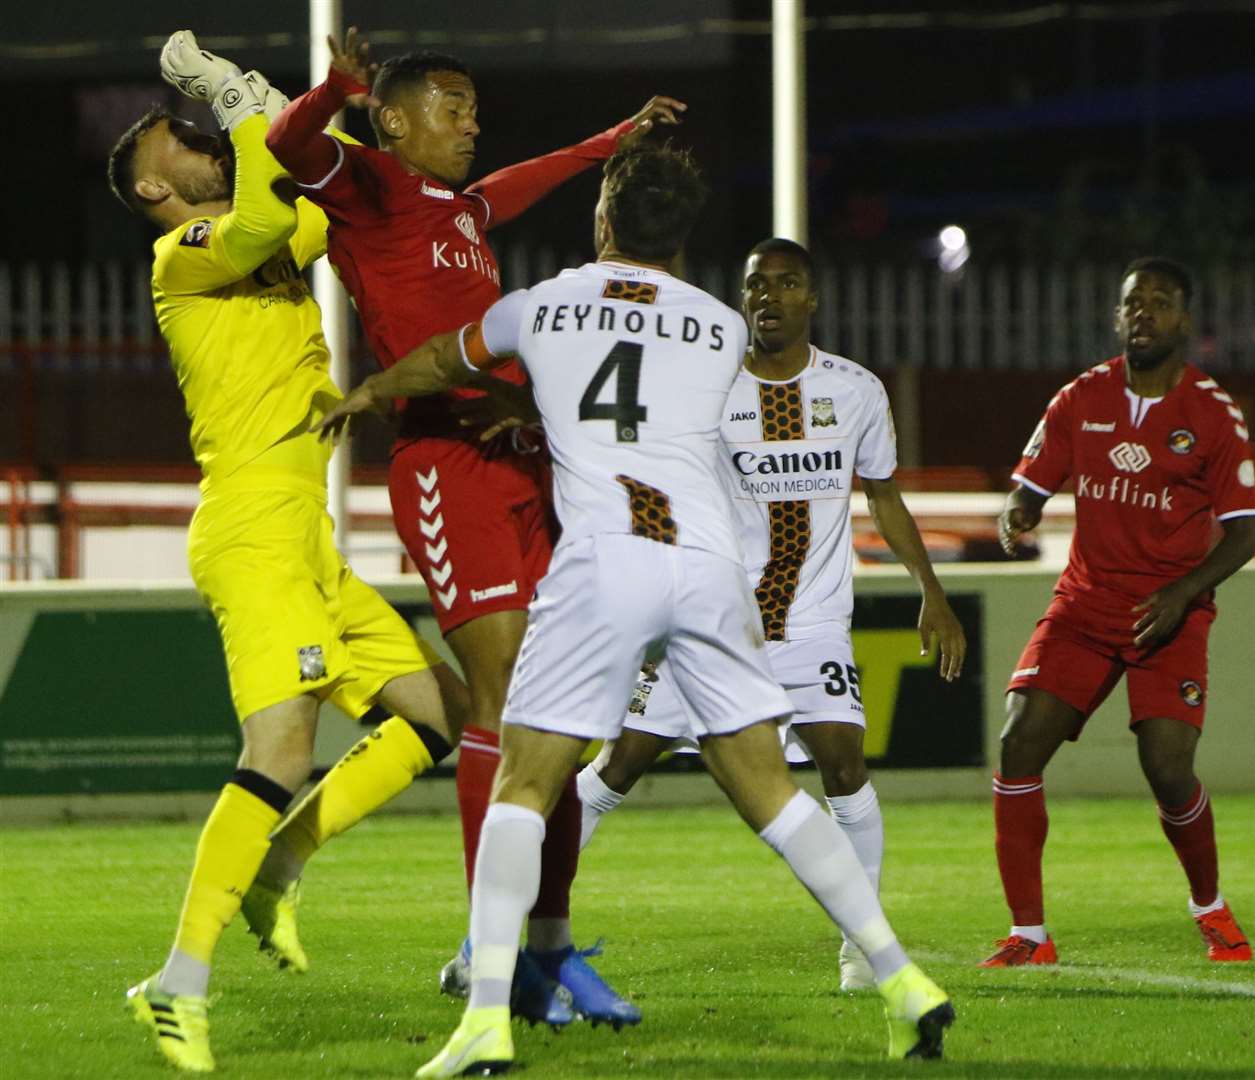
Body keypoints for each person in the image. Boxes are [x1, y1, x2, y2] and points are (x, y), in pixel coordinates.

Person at [316, 144, 956, 1078]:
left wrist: (370, 389)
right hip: (704, 566)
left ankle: (486, 1020)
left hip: (604, 559)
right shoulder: (719, 327)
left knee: (523, 786)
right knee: (772, 793)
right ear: (686, 242)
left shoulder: (541, 306)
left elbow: (438, 361)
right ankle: (901, 981)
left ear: (603, 221)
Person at [263, 26, 683, 1026]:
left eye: (473, 109)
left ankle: (542, 946)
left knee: (571, 718)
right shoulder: (366, 185)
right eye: (451, 109)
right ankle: (489, 950)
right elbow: (286, 148)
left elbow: (528, 177)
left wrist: (614, 139)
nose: (469, 123)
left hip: (521, 459)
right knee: (501, 705)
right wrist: (336, 90)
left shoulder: (465, 206)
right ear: (395, 121)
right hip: (444, 465)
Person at [110, 32, 467, 1073]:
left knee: (443, 716)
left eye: (203, 128)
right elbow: (272, 207)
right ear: (150, 185)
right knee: (280, 751)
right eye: (181, 140)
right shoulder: (180, 260)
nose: (202, 143)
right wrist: (239, 103)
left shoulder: (255, 241)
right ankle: (176, 985)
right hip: (253, 531)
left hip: (304, 534)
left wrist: (311, 106)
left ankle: (276, 872)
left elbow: (320, 202)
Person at [572, 237, 967, 993]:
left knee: (843, 764)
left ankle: (862, 945)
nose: (769, 296)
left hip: (811, 623)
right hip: (709, 624)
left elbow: (882, 494)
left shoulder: (853, 391)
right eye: (757, 283)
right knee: (619, 763)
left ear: (809, 299)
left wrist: (931, 589)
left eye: (786, 284)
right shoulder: (704, 387)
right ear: (742, 295)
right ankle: (527, 922)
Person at [982, 257, 1255, 967]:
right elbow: (1029, 488)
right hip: (1085, 603)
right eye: (1133, 303)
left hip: (1170, 612)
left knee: (1167, 769)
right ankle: (1029, 936)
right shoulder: (1080, 398)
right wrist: (1017, 512)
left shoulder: (1212, 414)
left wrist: (1179, 593)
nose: (1144, 313)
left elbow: (1243, 535)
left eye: (1160, 303)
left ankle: (1210, 909)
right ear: (1117, 316)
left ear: (1184, 321)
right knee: (1018, 744)